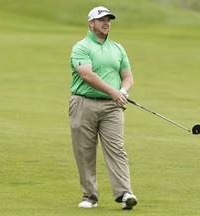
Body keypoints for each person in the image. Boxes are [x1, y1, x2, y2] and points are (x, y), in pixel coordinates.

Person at [68, 6, 138, 210]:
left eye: (108, 19)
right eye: (101, 20)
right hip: (83, 103)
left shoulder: (117, 48)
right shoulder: (80, 47)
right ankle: (89, 196)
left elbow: (127, 76)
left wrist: (123, 91)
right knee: (84, 151)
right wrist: (113, 91)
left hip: (112, 107)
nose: (106, 23)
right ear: (91, 23)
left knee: (116, 149)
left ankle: (125, 193)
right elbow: (86, 75)